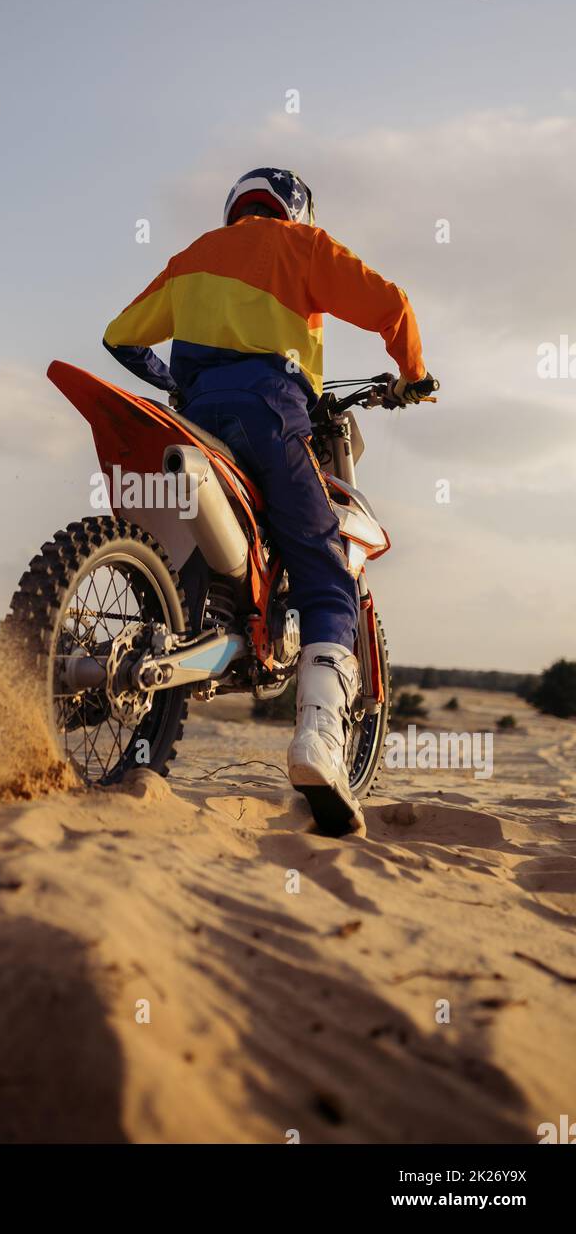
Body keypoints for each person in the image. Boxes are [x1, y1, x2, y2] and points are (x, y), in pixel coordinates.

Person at [103, 167, 435, 835]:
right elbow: (390, 303)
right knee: (325, 566)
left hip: (194, 420)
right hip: (269, 411)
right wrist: (413, 375)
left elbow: (121, 338)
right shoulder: (302, 246)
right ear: (297, 210)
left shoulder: (192, 257)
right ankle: (317, 744)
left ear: (236, 208)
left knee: (187, 556)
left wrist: (177, 382)